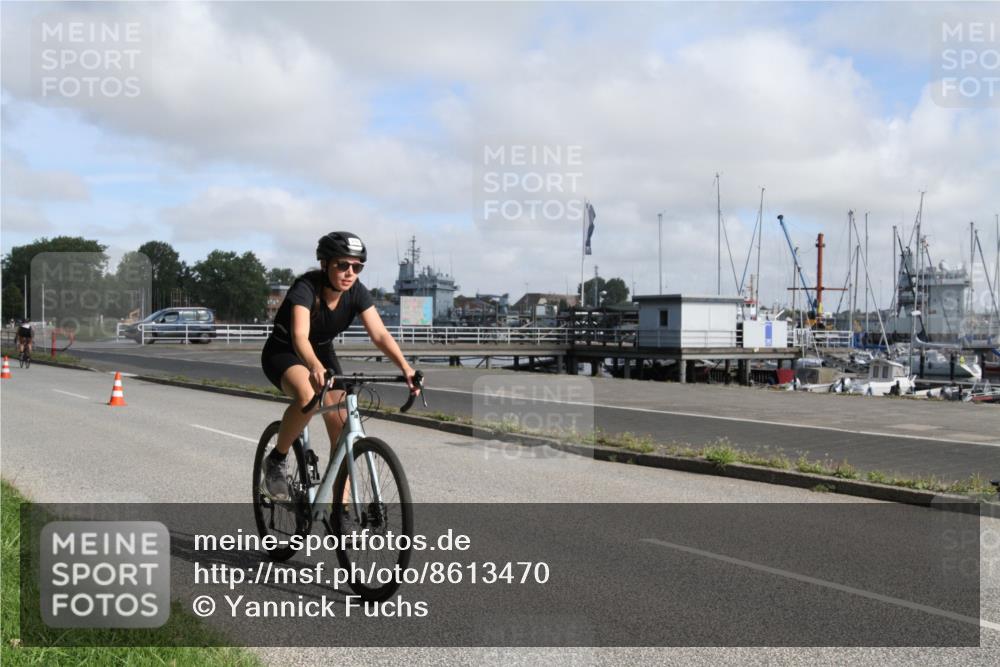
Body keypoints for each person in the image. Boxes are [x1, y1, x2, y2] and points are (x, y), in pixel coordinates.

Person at [260, 231, 418, 499]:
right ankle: (276, 459)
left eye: (357, 267)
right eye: (342, 265)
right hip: (285, 351)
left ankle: (339, 511)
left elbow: (380, 335)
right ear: (325, 264)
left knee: (342, 428)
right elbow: (299, 336)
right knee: (308, 395)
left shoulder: (356, 292)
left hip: (322, 352)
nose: (350, 273)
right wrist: (313, 365)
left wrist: (406, 368)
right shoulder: (306, 288)